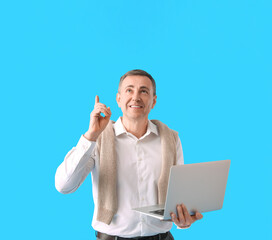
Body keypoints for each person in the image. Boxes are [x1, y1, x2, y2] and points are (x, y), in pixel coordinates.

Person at [55, 69, 203, 240]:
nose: (136, 97)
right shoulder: (98, 139)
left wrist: (183, 220)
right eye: (129, 90)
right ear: (118, 99)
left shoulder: (171, 138)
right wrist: (91, 136)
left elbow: (178, 198)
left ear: (153, 101)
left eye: (144, 91)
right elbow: (64, 186)